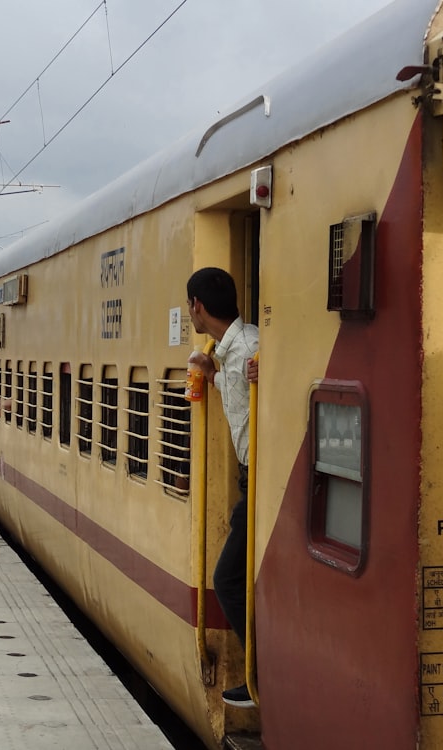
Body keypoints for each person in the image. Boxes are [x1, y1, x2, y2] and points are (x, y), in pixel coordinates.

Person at [186, 267, 259, 709]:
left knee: (226, 580)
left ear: (197, 306)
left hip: (260, 475)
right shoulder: (230, 352)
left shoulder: (251, 347)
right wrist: (209, 373)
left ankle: (258, 677)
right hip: (248, 476)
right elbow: (236, 394)